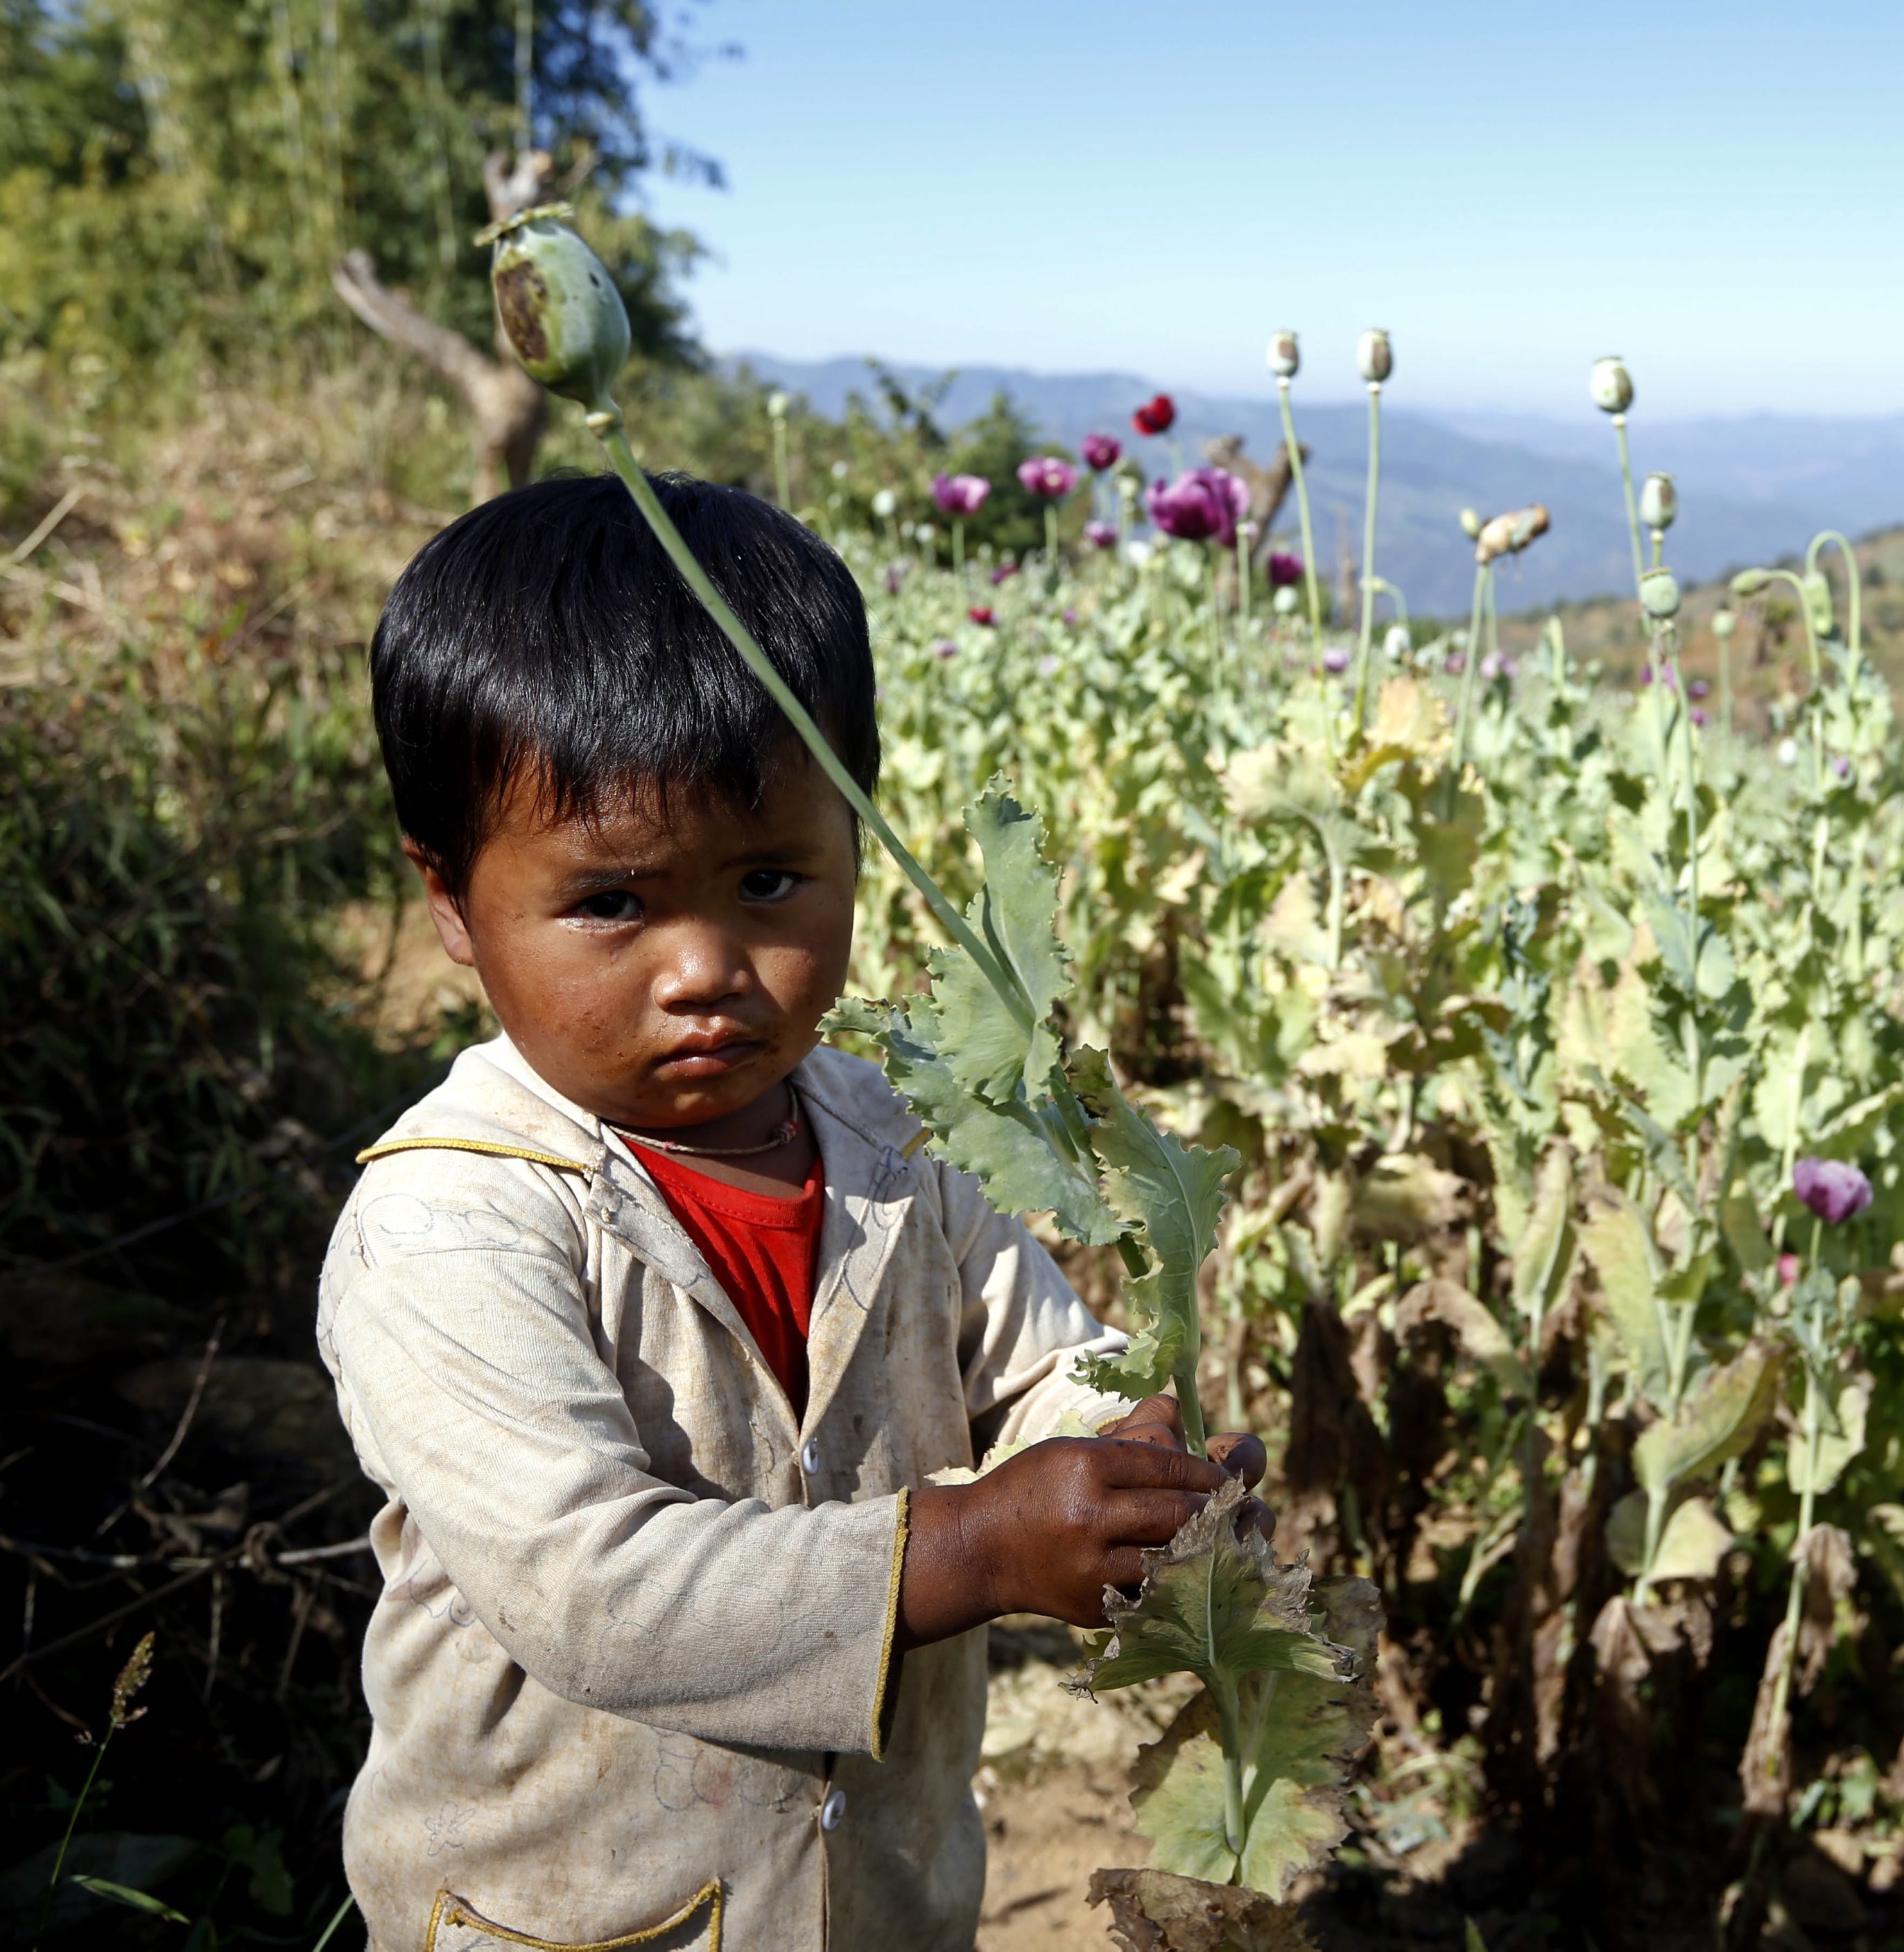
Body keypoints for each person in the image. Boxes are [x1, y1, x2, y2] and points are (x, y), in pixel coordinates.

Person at [317, 472, 1259, 1950]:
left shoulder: (890, 1138)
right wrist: (974, 1549)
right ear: (450, 900)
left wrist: (1121, 1450)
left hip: (877, 1892)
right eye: (613, 903)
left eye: (770, 880)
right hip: (568, 1913)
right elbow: (590, 1589)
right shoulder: (447, 1226)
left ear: (855, 847)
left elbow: (1034, 1356)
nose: (706, 966)